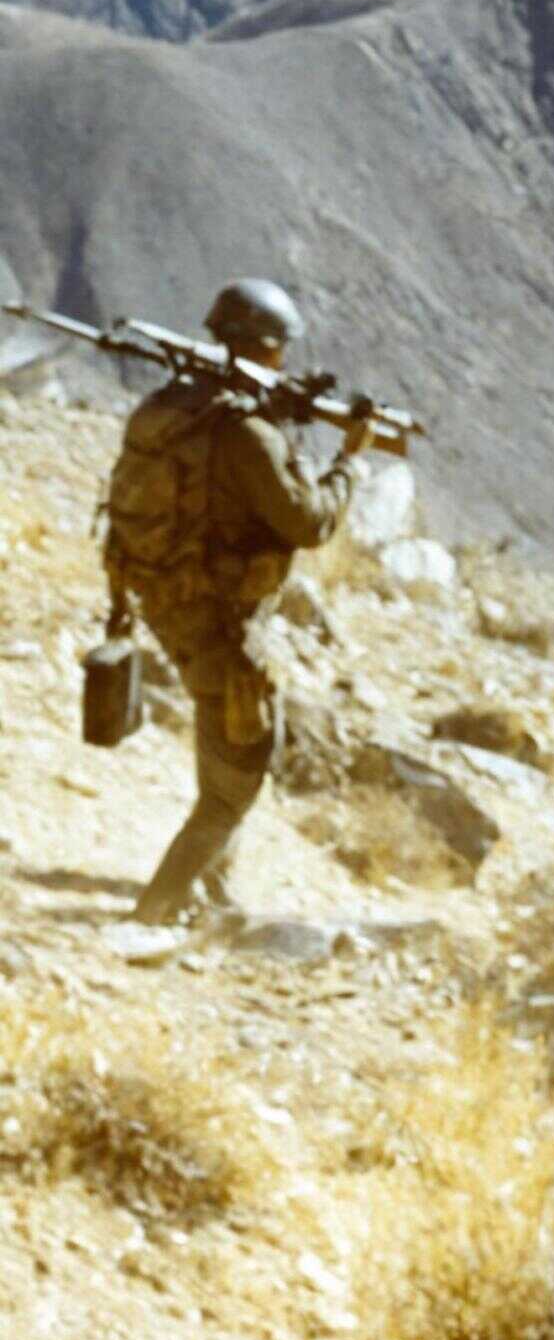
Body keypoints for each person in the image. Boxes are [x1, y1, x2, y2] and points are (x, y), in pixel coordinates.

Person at [107, 280, 374, 924]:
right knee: (239, 774)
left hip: (165, 599)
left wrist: (277, 416)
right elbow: (308, 521)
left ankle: (211, 889)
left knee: (223, 741)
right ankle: (158, 910)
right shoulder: (246, 432)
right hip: (220, 621)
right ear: (267, 346)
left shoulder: (177, 408)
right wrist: (349, 465)